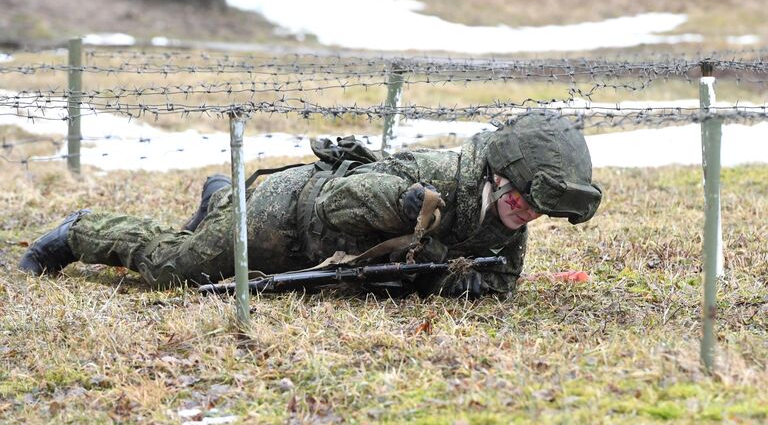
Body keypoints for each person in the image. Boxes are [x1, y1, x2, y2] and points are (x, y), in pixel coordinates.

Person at [19, 112, 602, 298]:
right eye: (525, 201)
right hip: (291, 211)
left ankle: (223, 197)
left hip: (327, 263)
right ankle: (77, 232)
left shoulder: (504, 220)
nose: (528, 216)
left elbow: (499, 287)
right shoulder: (436, 181)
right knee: (176, 270)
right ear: (499, 179)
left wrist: (449, 281)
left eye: (539, 212)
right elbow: (336, 204)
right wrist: (404, 211)